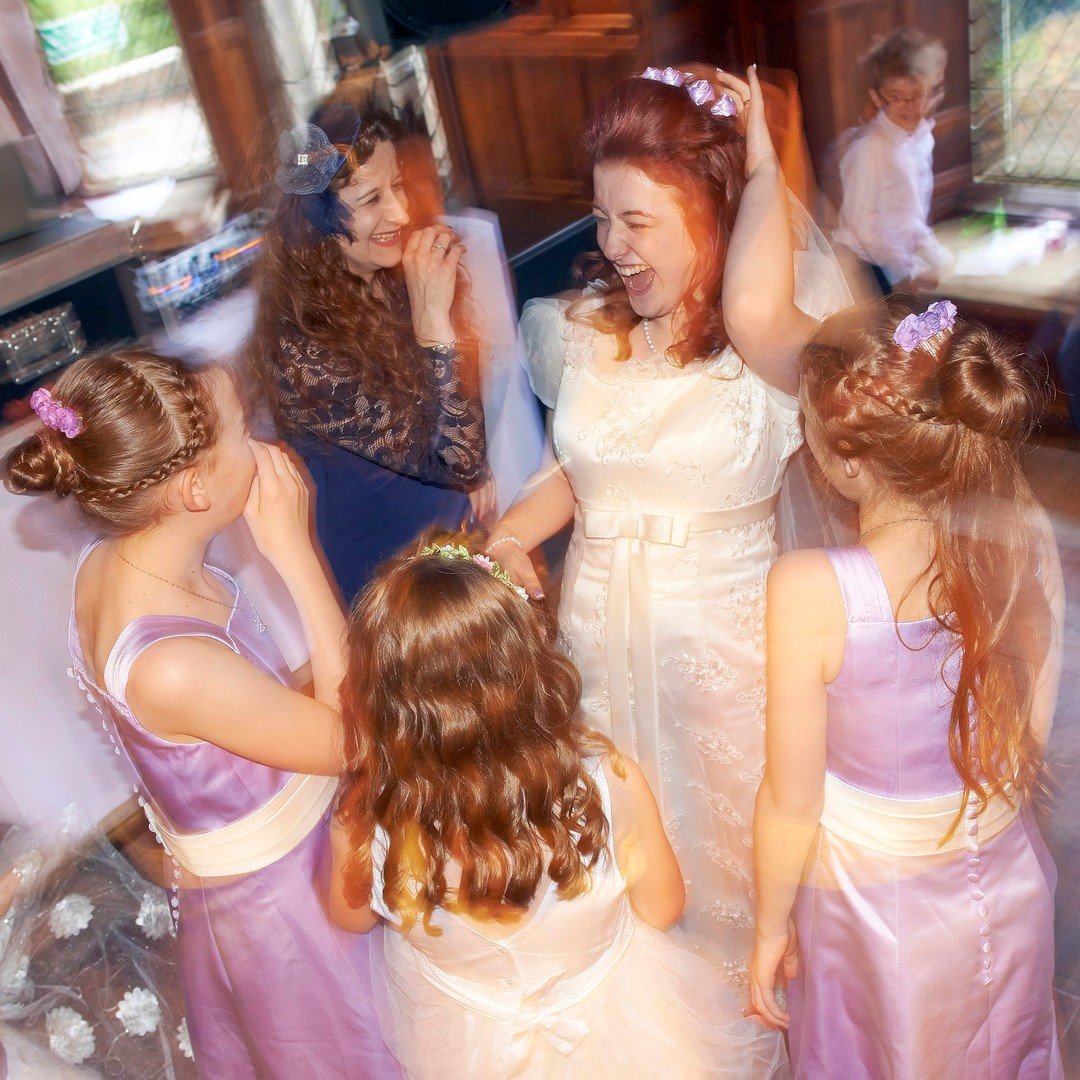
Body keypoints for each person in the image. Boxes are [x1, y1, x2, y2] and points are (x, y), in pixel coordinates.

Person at [485, 63, 843, 1008]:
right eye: (603, 218)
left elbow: (760, 311)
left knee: (728, 862)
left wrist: (772, 166)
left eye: (637, 222)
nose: (612, 246)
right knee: (623, 857)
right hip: (597, 648)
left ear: (717, 210)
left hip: (728, 665)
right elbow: (583, 464)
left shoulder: (777, 346)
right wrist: (514, 534)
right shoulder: (580, 331)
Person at [4, 348, 399, 1079]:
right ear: (192, 489)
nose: (262, 447)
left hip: (272, 859)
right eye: (242, 432)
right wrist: (296, 552)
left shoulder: (115, 558)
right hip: (291, 911)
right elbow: (353, 741)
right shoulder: (172, 664)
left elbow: (255, 708)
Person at [328, 535, 785, 1078]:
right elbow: (662, 906)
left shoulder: (366, 824)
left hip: (465, 1041)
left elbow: (349, 918)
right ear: (530, 668)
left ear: (380, 698)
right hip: (623, 1028)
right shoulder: (607, 783)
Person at [750, 297, 1064, 1077]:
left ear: (846, 460)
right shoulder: (1018, 533)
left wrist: (768, 928)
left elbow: (791, 802)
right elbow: (1029, 730)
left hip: (877, 911)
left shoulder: (809, 587)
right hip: (1005, 873)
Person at [249, 103, 490, 603]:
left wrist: (468, 485)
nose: (400, 214)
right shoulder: (298, 343)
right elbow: (459, 457)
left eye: (398, 185)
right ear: (316, 217)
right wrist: (432, 322)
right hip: (393, 578)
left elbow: (451, 435)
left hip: (451, 535)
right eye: (371, 197)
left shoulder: (390, 277)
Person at [832, 28, 953, 294]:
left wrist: (934, 254)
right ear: (876, 96)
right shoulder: (870, 148)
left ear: (932, 89)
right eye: (896, 97)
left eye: (917, 95)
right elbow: (864, 226)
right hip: (866, 266)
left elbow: (908, 214)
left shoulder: (921, 138)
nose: (909, 106)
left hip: (895, 257)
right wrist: (907, 270)